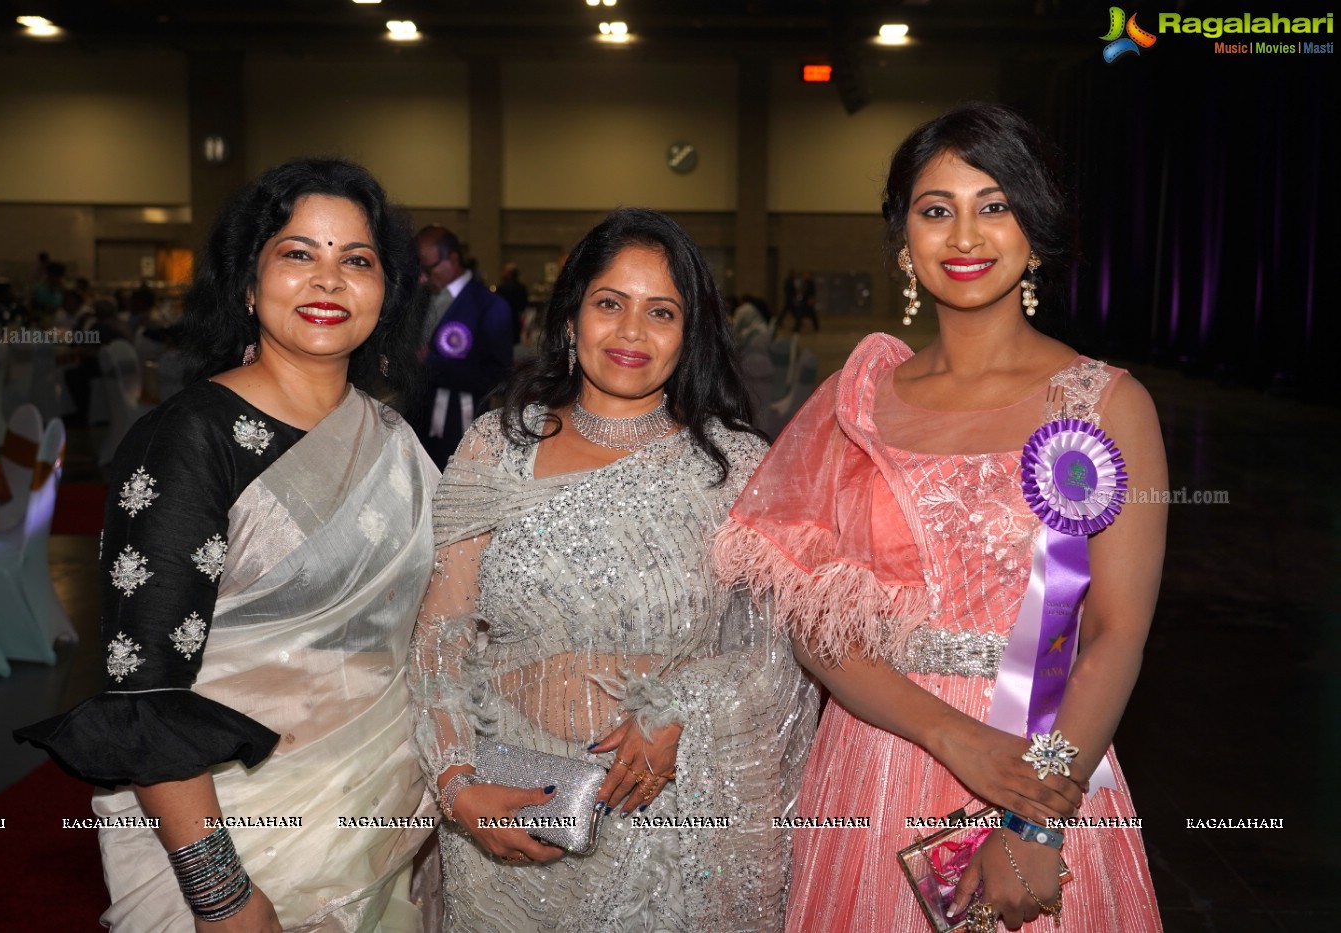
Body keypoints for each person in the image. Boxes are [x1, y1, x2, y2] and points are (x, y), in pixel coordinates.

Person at [713, 103, 1166, 932]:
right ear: (902, 237)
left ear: (1035, 228)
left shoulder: (1105, 404)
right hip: (878, 756)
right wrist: (948, 735)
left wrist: (1036, 816)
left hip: (1047, 760)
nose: (964, 235)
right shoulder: (854, 402)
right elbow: (817, 623)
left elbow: (1113, 633)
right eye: (935, 210)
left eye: (993, 206)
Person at [16, 158, 439, 932]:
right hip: (235, 843)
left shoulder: (396, 443)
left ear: (387, 293)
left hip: (380, 823)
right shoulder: (189, 440)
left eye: (357, 260)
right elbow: (145, 695)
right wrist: (222, 895)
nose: (328, 280)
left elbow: (435, 636)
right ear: (249, 282)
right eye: (297, 253)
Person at [411, 207, 818, 931]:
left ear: (688, 334)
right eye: (609, 304)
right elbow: (440, 634)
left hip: (674, 826)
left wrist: (683, 712)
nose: (631, 332)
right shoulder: (495, 448)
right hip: (507, 822)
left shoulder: (735, 468)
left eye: (660, 311)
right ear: (570, 317)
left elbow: (777, 652)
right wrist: (455, 783)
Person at [414, 225, 514, 469]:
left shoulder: (489, 305)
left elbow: (499, 376)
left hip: (462, 425)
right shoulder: (423, 299)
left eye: (429, 267)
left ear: (453, 259)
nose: (423, 276)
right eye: (420, 269)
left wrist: (434, 363)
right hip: (418, 421)